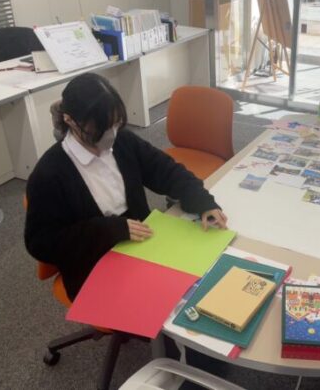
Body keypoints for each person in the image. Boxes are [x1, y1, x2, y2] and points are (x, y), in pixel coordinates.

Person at [24, 73, 228, 300]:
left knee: (202, 283)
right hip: (93, 264)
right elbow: (41, 243)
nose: (112, 133)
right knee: (166, 304)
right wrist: (106, 230)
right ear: (71, 121)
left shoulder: (123, 141)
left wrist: (201, 200)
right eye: (101, 128)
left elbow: (165, 170)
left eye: (116, 123)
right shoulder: (49, 174)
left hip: (144, 246)